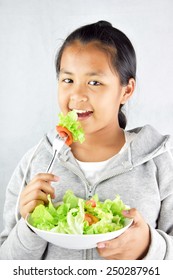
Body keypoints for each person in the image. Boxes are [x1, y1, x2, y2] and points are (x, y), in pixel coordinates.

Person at [0, 20, 173, 260]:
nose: (77, 95)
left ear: (126, 90)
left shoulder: (159, 164)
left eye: (94, 82)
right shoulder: (34, 162)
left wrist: (149, 247)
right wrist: (29, 228)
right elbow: (6, 265)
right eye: (68, 80)